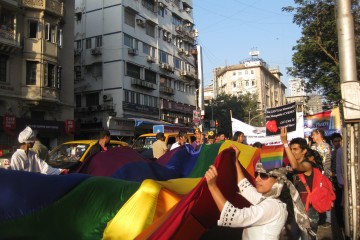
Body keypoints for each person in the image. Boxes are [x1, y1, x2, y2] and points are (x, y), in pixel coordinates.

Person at [204, 144, 313, 240]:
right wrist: (235, 161)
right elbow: (245, 187)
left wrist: (213, 187)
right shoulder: (269, 199)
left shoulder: (273, 206)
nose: (257, 179)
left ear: (278, 180)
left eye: (264, 175)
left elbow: (236, 217)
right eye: (257, 174)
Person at [280, 127, 320, 239]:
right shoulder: (292, 169)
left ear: (304, 151)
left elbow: (295, 166)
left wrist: (285, 143)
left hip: (309, 211)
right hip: (297, 210)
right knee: (294, 236)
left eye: (295, 149)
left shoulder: (308, 165)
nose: (292, 152)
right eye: (291, 149)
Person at [311, 128, 332, 227]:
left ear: (319, 135)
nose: (312, 137)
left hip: (324, 174)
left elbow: (324, 163)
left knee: (325, 195)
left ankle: (327, 219)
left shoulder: (325, 146)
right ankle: (319, 217)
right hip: (315, 174)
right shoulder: (313, 147)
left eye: (314, 135)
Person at [331, 133, 344, 228]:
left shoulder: (342, 151)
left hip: (341, 179)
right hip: (336, 180)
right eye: (335, 141)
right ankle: (340, 223)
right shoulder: (332, 153)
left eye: (339, 140)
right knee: (338, 202)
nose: (337, 143)